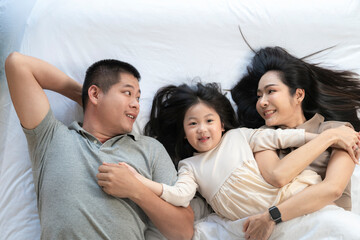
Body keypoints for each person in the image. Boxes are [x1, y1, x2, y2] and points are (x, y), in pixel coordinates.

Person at [114, 82, 359, 238]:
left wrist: (328, 137)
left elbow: (283, 138)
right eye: (192, 124)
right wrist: (140, 182)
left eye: (209, 121)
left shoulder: (240, 136)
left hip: (289, 203)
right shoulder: (189, 167)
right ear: (184, 133)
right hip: (251, 224)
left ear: (222, 124)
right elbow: (178, 195)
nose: (202, 129)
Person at [5, 52, 194, 240]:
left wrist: (136, 190)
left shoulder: (150, 149)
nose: (136, 104)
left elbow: (184, 232)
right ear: (95, 93)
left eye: (138, 97)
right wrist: (85, 98)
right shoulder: (50, 137)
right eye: (127, 93)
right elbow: (17, 64)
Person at [231, 46, 360, 239]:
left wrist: (270, 217)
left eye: (270, 91)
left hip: (330, 228)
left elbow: (333, 188)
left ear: (298, 95)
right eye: (259, 96)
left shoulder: (341, 129)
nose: (262, 102)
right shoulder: (260, 136)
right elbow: (277, 175)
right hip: (284, 230)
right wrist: (329, 138)